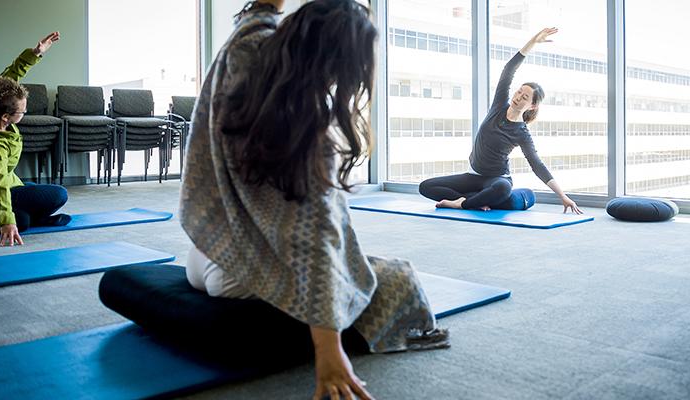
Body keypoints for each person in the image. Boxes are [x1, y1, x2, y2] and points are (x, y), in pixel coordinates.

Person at [179, 2, 449, 399]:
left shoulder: (242, 54)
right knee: (391, 277)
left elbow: (256, 15)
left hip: (205, 252)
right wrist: (329, 349)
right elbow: (316, 239)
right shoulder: (312, 129)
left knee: (348, 260)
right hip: (237, 279)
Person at [419, 27, 583, 215]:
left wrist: (562, 196)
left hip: (497, 179)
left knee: (503, 190)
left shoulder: (521, 133)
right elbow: (509, 70)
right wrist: (532, 42)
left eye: (525, 97)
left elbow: (537, 165)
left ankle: (462, 203)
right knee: (426, 186)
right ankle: (474, 200)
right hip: (473, 176)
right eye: (519, 92)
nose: (518, 97)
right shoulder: (499, 105)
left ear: (532, 106)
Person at [0, 32, 70, 246]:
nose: (24, 113)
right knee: (58, 194)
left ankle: (9, 218)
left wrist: (35, 53)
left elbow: (9, 78)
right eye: (22, 112)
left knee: (29, 197)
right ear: (6, 117)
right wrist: (7, 222)